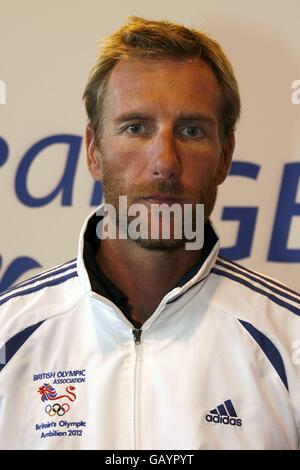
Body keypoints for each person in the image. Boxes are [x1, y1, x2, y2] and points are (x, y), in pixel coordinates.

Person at [0, 16, 299, 451]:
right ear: (94, 152)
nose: (164, 162)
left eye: (191, 131)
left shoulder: (287, 338)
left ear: (224, 156)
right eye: (136, 128)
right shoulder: (10, 335)